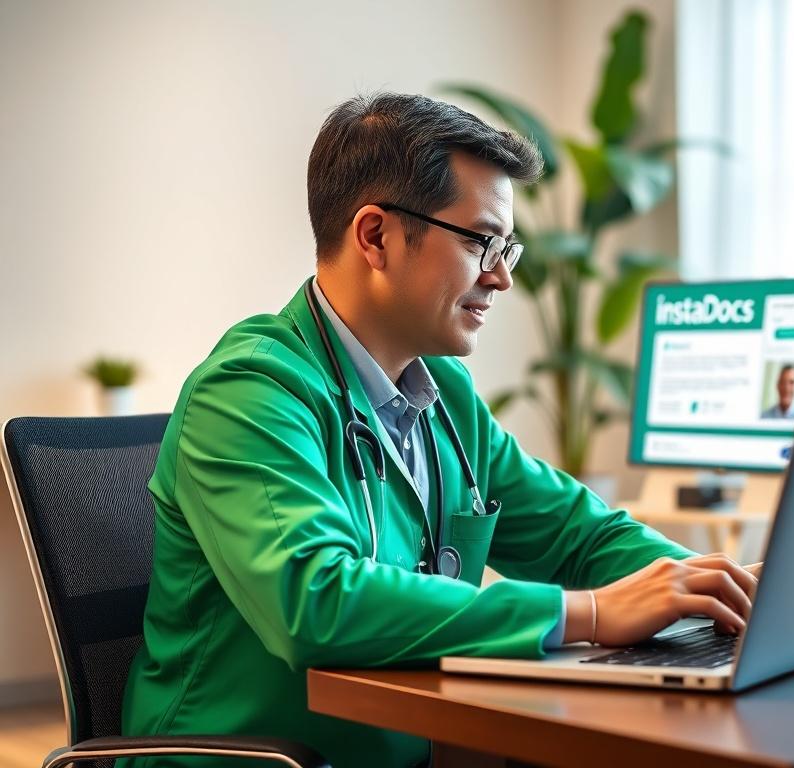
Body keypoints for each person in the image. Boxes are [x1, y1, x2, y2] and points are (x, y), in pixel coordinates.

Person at [121, 93, 759, 768]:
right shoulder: (250, 391)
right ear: (375, 236)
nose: (503, 276)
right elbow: (317, 599)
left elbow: (576, 533)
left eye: (504, 246)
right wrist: (593, 613)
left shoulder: (444, 392)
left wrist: (708, 586)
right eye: (480, 242)